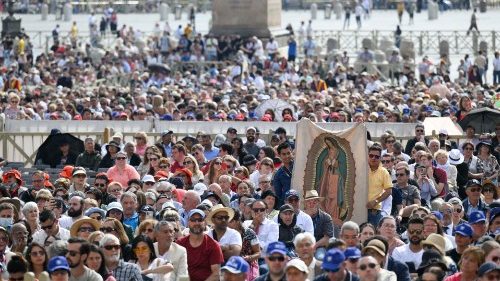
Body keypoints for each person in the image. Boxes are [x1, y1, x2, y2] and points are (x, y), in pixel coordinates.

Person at [176, 209, 224, 281]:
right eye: (193, 220)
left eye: (200, 220)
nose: (196, 223)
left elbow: (216, 274)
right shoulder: (180, 243)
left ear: (205, 223)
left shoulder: (213, 245)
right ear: (188, 223)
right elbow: (177, 269)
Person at [319, 137, 345, 221]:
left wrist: (334, 162)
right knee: (327, 195)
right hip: (329, 173)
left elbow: (340, 164)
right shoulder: (328, 150)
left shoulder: (338, 150)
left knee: (334, 196)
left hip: (336, 175)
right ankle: (327, 215)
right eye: (327, 143)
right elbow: (326, 161)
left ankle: (334, 216)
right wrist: (327, 162)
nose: (328, 144)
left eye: (329, 142)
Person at [367, 145, 393, 226]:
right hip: (358, 210)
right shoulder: (360, 169)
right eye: (371, 156)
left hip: (374, 211)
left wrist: (376, 201)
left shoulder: (384, 172)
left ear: (380, 158)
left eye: (376, 156)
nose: (373, 158)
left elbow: (389, 191)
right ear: (367, 156)